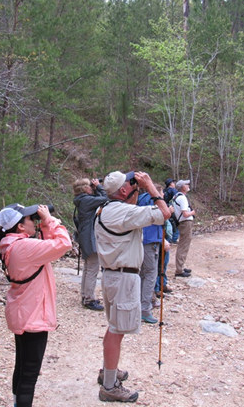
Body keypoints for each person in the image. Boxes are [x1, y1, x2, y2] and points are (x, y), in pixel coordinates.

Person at [94, 171, 171, 402]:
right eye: (133, 185)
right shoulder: (122, 211)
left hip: (112, 275)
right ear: (125, 191)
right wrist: (151, 188)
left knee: (114, 327)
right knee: (117, 331)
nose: (136, 188)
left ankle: (109, 370)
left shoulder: (106, 209)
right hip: (123, 277)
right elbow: (164, 214)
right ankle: (109, 386)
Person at [0, 203, 72, 407]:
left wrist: (45, 226)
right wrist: (49, 220)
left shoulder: (11, 244)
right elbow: (64, 243)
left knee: (21, 367)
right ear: (20, 226)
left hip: (22, 311)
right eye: (31, 219)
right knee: (29, 373)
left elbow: (47, 250)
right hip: (33, 316)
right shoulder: (25, 247)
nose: (34, 222)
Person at [72, 177, 108, 311]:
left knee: (88, 267)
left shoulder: (81, 200)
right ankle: (89, 298)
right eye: (89, 186)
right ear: (85, 189)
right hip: (90, 237)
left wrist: (96, 188)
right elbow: (105, 199)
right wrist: (99, 187)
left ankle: (85, 295)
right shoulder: (87, 200)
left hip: (85, 236)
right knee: (92, 268)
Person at [137, 184, 168, 324]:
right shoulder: (152, 200)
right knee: (150, 274)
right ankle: (145, 309)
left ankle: (138, 306)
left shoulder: (140, 198)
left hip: (141, 239)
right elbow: (162, 216)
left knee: (142, 274)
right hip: (150, 241)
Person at [172, 179, 196, 278]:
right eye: (186, 184)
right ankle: (179, 269)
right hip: (185, 222)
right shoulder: (182, 198)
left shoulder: (176, 196)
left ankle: (181, 266)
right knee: (184, 245)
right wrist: (193, 213)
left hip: (182, 223)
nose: (188, 185)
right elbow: (185, 213)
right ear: (182, 187)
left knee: (183, 244)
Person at [163, 178, 179, 244]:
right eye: (173, 182)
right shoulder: (173, 190)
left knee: (167, 224)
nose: (174, 184)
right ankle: (174, 239)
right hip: (171, 209)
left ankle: (168, 238)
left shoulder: (164, 191)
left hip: (164, 208)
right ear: (170, 183)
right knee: (175, 223)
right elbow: (177, 198)